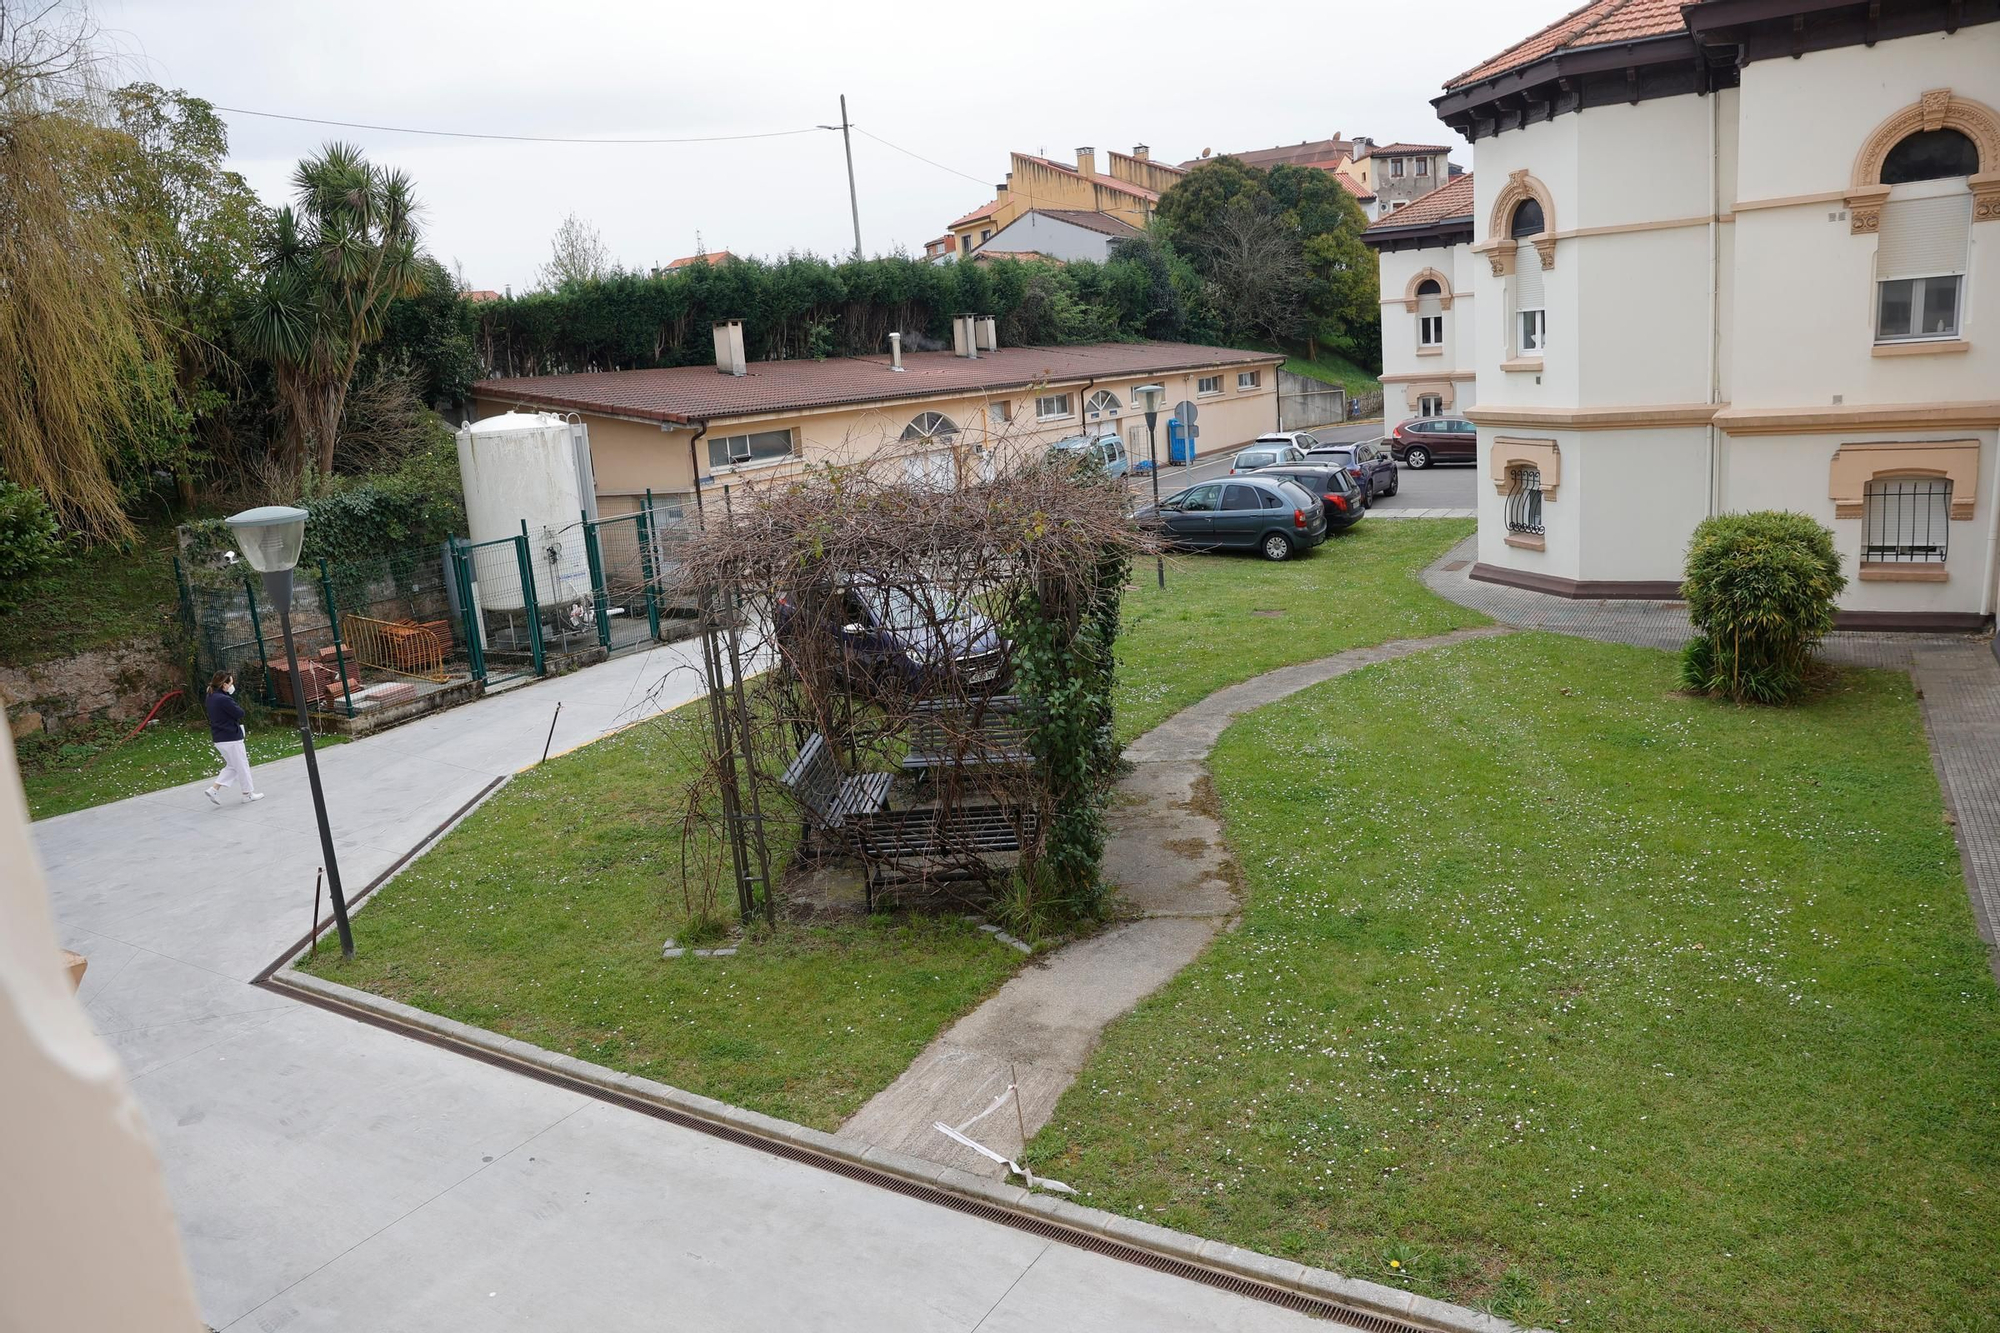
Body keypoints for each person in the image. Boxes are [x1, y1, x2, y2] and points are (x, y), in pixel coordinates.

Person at [202, 672, 263, 806]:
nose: (232, 686)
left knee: (232, 766)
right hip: (231, 738)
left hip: (219, 738)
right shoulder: (224, 699)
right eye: (231, 683)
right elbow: (239, 713)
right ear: (224, 684)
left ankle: (214, 789)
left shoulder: (211, 696)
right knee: (242, 766)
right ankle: (248, 794)